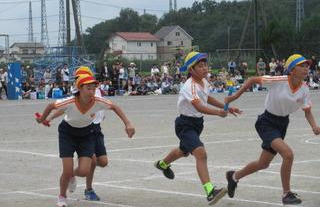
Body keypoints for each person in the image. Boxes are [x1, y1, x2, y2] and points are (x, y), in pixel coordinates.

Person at [224, 54, 320, 205]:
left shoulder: (304, 89)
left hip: (282, 124)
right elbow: (252, 80)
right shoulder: (279, 80)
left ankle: (234, 177)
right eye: (301, 65)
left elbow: (307, 111)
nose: (306, 68)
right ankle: (286, 194)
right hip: (267, 122)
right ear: (292, 70)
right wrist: (235, 96)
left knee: (263, 163)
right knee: (288, 154)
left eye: (307, 65)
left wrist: (314, 126)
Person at [154, 51, 242, 205]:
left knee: (182, 151)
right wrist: (218, 113)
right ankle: (210, 191)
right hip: (185, 125)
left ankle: (162, 164)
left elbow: (208, 98)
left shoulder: (204, 82)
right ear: (191, 69)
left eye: (205, 65)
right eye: (200, 66)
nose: (205, 68)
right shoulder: (190, 86)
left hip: (196, 124)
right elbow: (199, 106)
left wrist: (227, 108)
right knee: (201, 153)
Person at [35, 73, 135, 207]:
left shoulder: (98, 102)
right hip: (67, 133)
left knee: (83, 171)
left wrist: (128, 123)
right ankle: (62, 196)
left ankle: (71, 175)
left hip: (87, 134)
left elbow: (115, 107)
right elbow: (51, 106)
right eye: (88, 88)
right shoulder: (70, 101)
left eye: (94, 88)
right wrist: (42, 119)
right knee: (67, 168)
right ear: (79, 88)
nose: (92, 91)